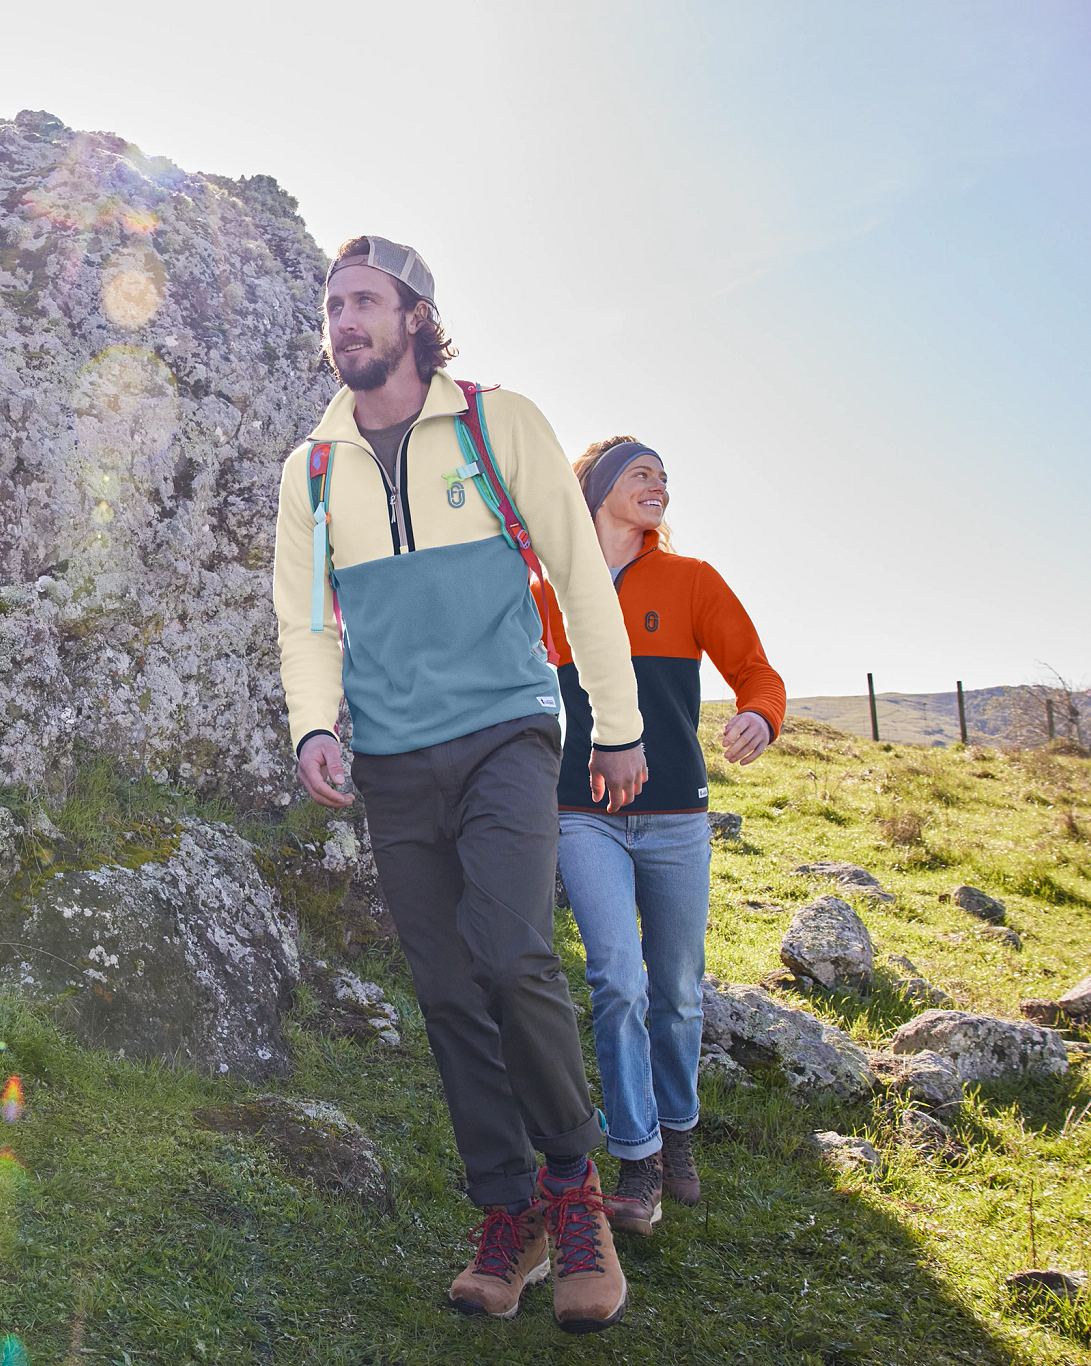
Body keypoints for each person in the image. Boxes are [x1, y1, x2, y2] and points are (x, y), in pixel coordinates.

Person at [273, 236, 647, 1332]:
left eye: (363, 303)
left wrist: (614, 729)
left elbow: (579, 575)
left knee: (511, 951)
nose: (343, 321)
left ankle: (572, 1187)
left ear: (415, 316)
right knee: (440, 984)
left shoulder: (496, 422)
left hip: (502, 734)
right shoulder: (309, 470)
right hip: (390, 757)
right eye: (332, 305)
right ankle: (505, 1211)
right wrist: (311, 728)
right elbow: (304, 623)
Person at [534, 436, 784, 1237]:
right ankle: (636, 1157)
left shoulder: (692, 581)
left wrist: (757, 715)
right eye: (641, 474)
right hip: (583, 813)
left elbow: (758, 672)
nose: (659, 487)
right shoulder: (549, 590)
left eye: (665, 478)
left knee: (677, 991)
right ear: (599, 487)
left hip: (678, 817)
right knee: (618, 979)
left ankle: (678, 1136)